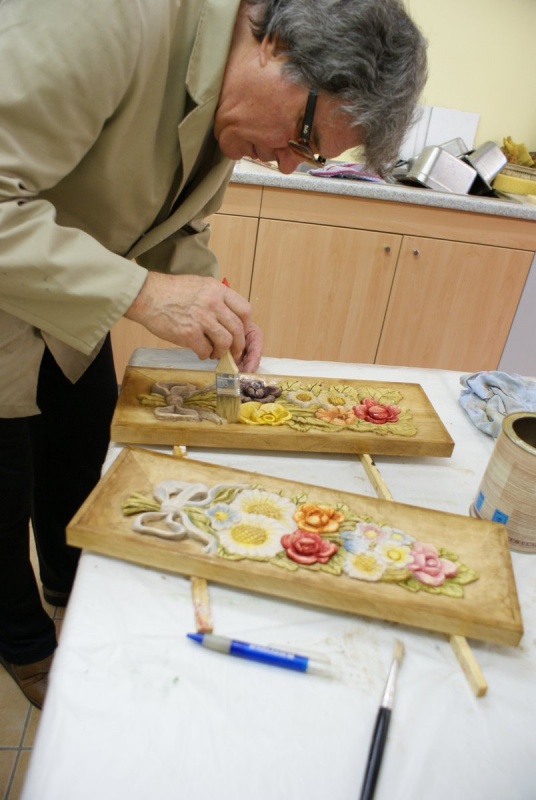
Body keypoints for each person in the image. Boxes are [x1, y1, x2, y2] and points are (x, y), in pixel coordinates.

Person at [0, 0, 427, 708]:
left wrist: (208, 295)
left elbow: (174, 221)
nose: (288, 164)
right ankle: (23, 643)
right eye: (303, 137)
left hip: (62, 296)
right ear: (276, 44)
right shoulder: (108, 18)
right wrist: (143, 293)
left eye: (313, 158)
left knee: (79, 455)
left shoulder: (230, 89)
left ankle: (75, 598)